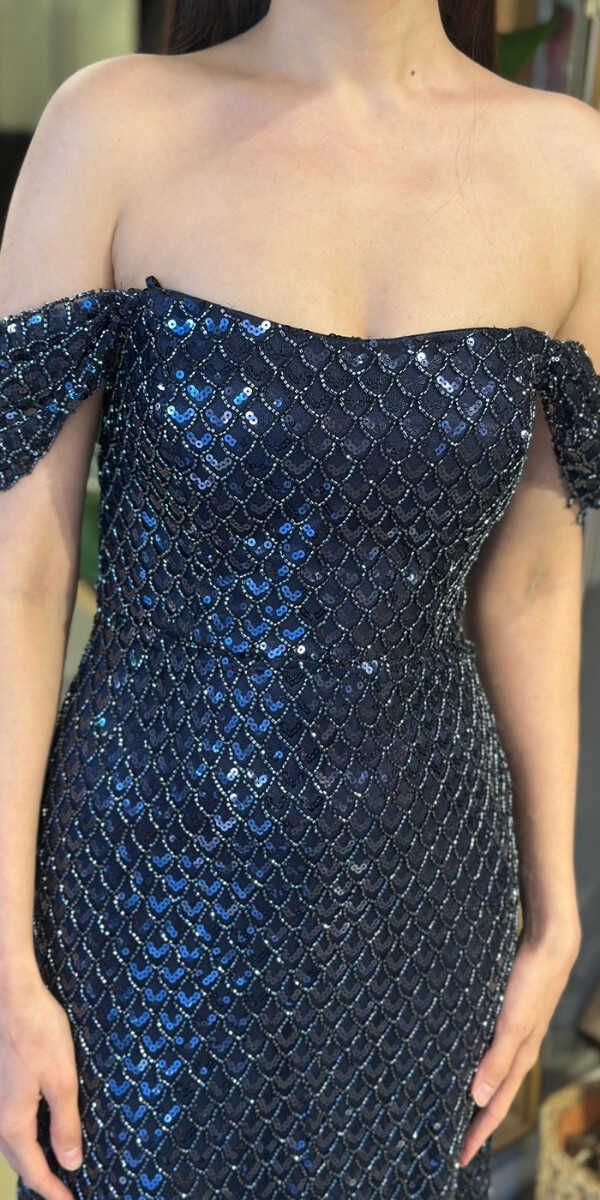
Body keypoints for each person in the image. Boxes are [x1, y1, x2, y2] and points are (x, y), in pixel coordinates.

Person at [0, 1, 599, 1197]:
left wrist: (557, 909)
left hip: (423, 884)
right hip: (148, 880)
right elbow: (22, 576)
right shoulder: (113, 128)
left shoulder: (570, 165)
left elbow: (536, 578)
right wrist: (5, 959)